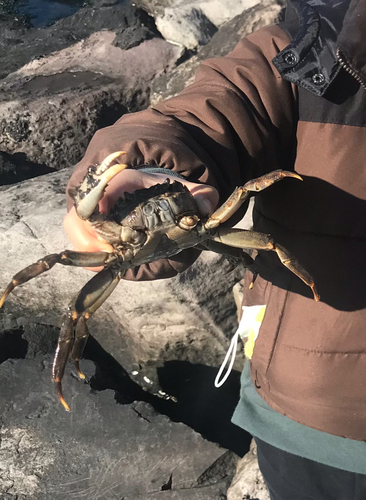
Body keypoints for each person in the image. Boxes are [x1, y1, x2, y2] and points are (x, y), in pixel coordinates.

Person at [65, 0, 366, 498]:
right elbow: (216, 108)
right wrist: (138, 162)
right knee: (76, 313)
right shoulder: (323, 37)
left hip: (310, 407)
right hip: (312, 422)